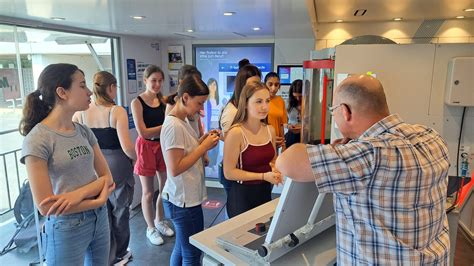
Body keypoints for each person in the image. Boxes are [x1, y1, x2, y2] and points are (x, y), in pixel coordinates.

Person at [276, 75, 450, 265]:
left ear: (345, 111)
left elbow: (286, 161)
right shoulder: (431, 137)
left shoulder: (366, 155)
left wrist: (339, 149)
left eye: (333, 111)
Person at [19, 63, 115, 265]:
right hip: (67, 225)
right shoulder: (38, 139)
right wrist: (97, 198)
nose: (89, 91)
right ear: (62, 92)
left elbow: (108, 178)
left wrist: (76, 195)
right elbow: (47, 207)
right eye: (82, 85)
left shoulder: (83, 131)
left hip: (99, 218)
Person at [73, 71, 135, 265]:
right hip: (117, 164)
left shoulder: (80, 113)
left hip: (92, 167)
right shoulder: (116, 111)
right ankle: (120, 253)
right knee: (120, 212)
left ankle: (105, 254)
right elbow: (127, 147)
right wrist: (135, 159)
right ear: (110, 88)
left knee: (102, 213)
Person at [161, 74, 220, 266]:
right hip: (182, 201)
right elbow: (175, 168)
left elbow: (186, 151)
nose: (201, 109)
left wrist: (202, 141)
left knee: (182, 247)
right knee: (192, 253)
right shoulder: (174, 125)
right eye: (199, 103)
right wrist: (203, 148)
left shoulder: (183, 120)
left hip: (184, 198)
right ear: (185, 98)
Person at [223, 81, 283, 218]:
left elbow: (272, 159)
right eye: (259, 101)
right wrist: (262, 176)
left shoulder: (270, 130)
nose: (264, 106)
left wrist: (276, 169)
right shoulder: (236, 132)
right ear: (246, 103)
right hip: (242, 197)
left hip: (264, 192)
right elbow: (229, 172)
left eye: (267, 101)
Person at [131, 64, 174, 246]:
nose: (157, 84)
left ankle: (159, 219)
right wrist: (164, 127)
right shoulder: (137, 102)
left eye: (159, 81)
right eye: (153, 80)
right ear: (145, 80)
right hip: (146, 147)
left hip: (161, 146)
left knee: (164, 188)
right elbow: (143, 132)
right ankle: (150, 227)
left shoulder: (163, 101)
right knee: (148, 192)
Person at [219, 64, 262, 197]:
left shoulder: (247, 107)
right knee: (237, 214)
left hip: (247, 171)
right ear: (241, 85)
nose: (256, 88)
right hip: (235, 173)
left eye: (259, 83)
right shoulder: (232, 112)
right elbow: (231, 144)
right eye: (252, 84)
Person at [264, 72, 287, 150]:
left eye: (276, 85)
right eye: (270, 84)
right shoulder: (260, 100)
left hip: (277, 143)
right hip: (263, 142)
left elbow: (281, 124)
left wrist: (283, 143)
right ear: (265, 84)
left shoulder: (280, 101)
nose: (273, 88)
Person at [285, 79, 303, 148]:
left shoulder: (309, 103)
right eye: (295, 96)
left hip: (305, 135)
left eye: (300, 96)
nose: (298, 99)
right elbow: (284, 122)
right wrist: (288, 126)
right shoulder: (288, 103)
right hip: (291, 135)